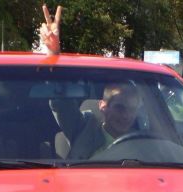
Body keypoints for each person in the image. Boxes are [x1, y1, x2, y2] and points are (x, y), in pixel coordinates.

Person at [40, 5, 143, 159]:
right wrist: (53, 55)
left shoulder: (145, 144)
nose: (126, 115)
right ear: (103, 106)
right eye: (119, 107)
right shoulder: (84, 129)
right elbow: (61, 102)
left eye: (132, 109)